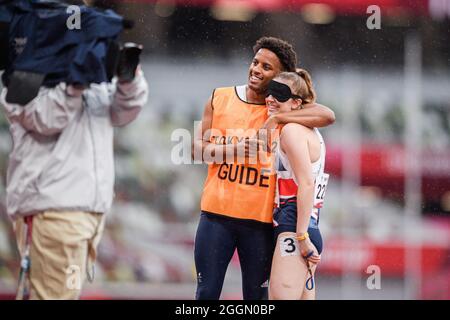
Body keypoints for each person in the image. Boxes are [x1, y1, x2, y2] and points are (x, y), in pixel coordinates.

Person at [0, 2, 149, 299]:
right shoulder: (23, 72)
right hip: (53, 208)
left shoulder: (90, 64)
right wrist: (74, 82)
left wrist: (127, 78)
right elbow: (45, 119)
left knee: (50, 295)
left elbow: (123, 113)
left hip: (88, 209)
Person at [193, 36, 335, 300]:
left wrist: (280, 116)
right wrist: (235, 150)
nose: (257, 69)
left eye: (267, 67)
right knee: (206, 294)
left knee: (257, 300)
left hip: (260, 222)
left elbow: (328, 115)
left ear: (281, 77)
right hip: (216, 214)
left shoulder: (280, 110)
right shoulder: (220, 97)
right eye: (255, 62)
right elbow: (195, 150)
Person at [267, 70, 327, 300]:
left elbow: (307, 184)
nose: (271, 99)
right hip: (305, 224)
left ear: (296, 103)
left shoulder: (292, 131)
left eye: (279, 95)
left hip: (294, 227)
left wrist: (301, 237)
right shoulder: (311, 131)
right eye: (270, 92)